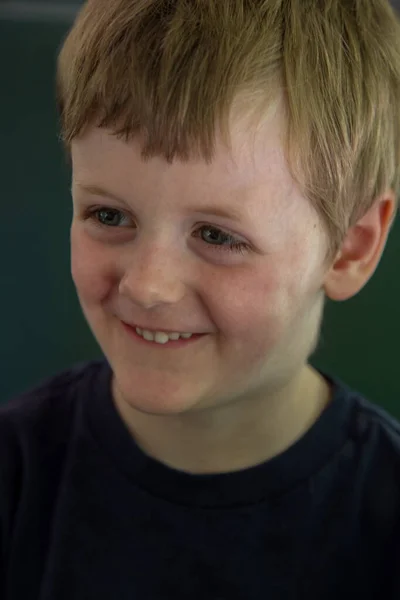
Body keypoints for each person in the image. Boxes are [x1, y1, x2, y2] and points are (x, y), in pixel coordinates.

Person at [2, 0, 400, 598]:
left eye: (218, 236)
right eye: (109, 215)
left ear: (350, 250)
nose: (147, 285)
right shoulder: (17, 478)